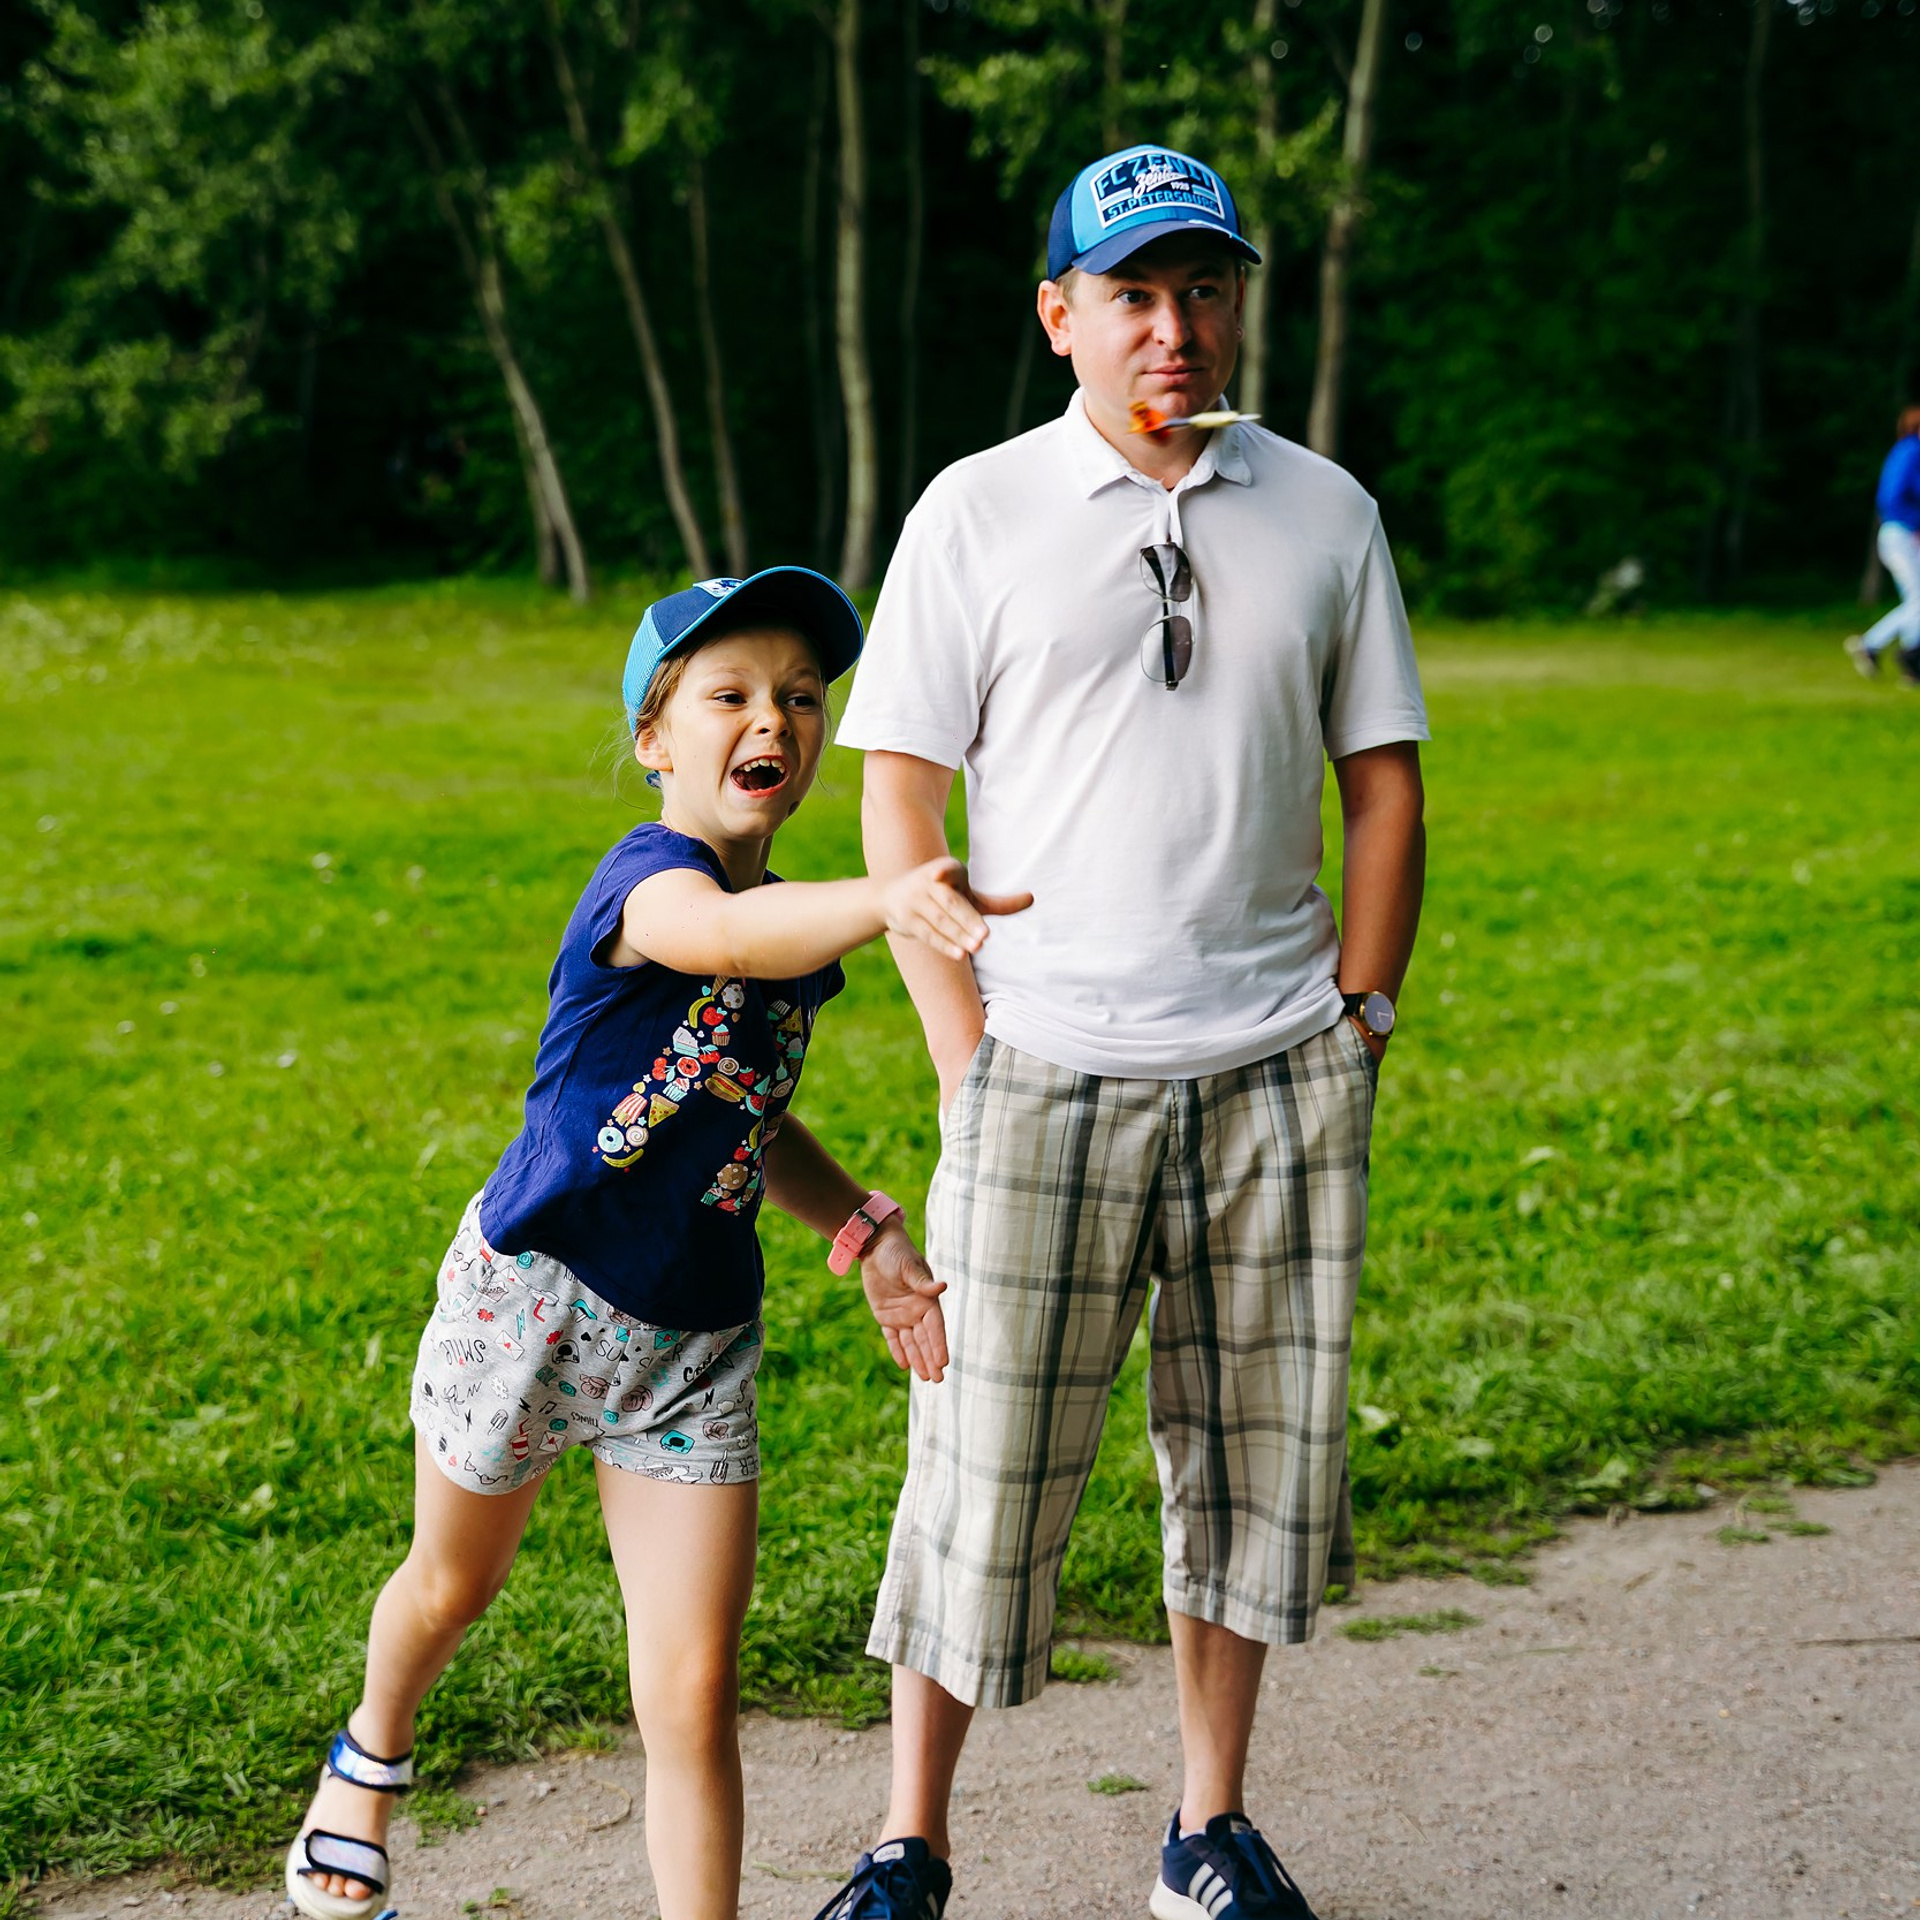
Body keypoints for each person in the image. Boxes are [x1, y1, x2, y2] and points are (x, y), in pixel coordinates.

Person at [813, 145, 1430, 1920]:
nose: (1177, 327)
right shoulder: (976, 513)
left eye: (1204, 289)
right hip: (1043, 1073)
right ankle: (908, 1844)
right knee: (983, 1473)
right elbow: (902, 803)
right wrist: (963, 1057)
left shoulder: (1325, 510)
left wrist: (1361, 1016)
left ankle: (1205, 1831)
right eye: (1137, 296)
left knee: (1246, 1467)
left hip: (1275, 1077)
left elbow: (1380, 788)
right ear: (1060, 316)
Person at [283, 568, 1028, 1920]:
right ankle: (370, 1756)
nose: (777, 720)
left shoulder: (806, 933)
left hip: (691, 1344)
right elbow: (724, 939)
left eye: (803, 697)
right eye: (731, 694)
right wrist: (893, 890)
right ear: (653, 738)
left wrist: (863, 1226)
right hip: (535, 1304)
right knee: (454, 1583)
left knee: (692, 1690)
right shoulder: (647, 884)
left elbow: (747, 1113)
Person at [1845, 405, 1920, 684]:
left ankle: (1901, 659)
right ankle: (1900, 656)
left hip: (1909, 534)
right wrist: (1916, 524)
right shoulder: (1909, 452)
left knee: (1917, 600)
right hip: (1901, 534)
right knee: (1918, 599)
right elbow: (1892, 498)